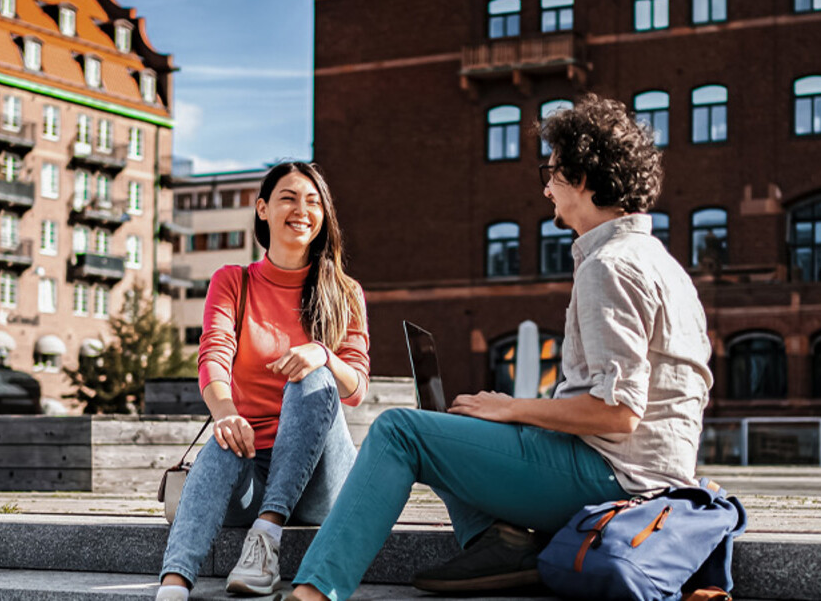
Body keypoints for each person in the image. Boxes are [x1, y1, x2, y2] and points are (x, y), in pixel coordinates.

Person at [285, 95, 714, 600]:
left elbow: (619, 412)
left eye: (550, 173)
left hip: (616, 479)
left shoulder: (610, 267)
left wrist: (514, 409)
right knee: (462, 418)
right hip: (649, 474)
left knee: (399, 431)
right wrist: (505, 415)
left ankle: (313, 592)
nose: (547, 190)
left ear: (581, 179)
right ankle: (502, 545)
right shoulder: (661, 262)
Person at [156, 162, 373, 600]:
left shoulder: (345, 291)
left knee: (313, 379)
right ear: (262, 209)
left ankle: (266, 541)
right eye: (288, 198)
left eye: (313, 201)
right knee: (224, 435)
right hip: (250, 474)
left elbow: (356, 389)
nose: (302, 210)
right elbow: (214, 354)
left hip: (320, 480)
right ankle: (173, 586)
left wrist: (324, 355)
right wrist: (226, 414)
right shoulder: (232, 282)